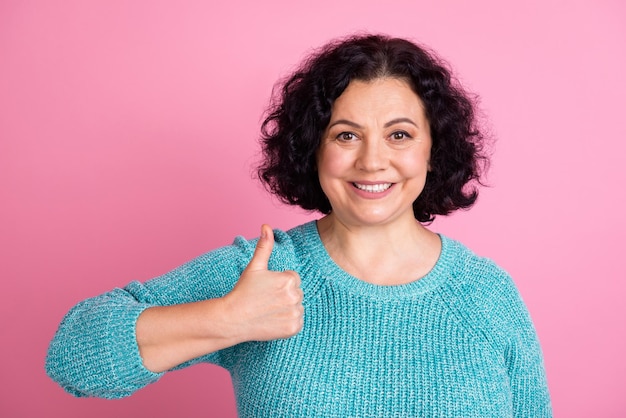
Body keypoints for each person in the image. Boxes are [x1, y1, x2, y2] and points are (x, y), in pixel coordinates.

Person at [46, 34, 552, 417]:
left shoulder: (487, 295)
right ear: (314, 149)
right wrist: (227, 319)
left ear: (433, 150)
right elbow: (72, 359)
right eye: (347, 135)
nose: (373, 161)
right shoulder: (264, 275)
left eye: (399, 134)